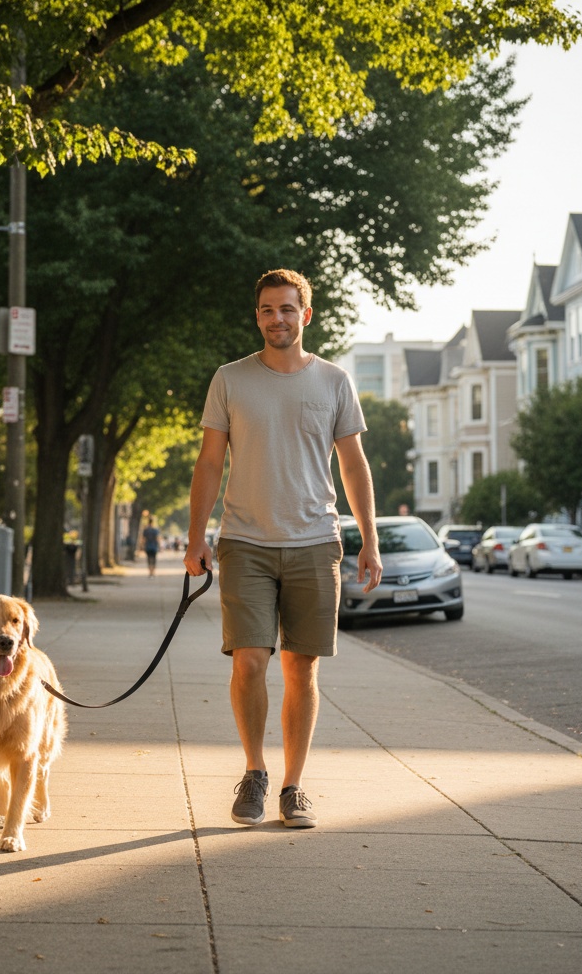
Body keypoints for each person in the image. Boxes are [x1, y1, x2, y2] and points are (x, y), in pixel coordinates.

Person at [183, 268, 382, 829]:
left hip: (316, 542)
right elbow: (210, 462)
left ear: (306, 315)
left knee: (302, 668)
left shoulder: (334, 381)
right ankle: (255, 772)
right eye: (268, 309)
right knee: (249, 660)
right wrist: (197, 538)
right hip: (244, 540)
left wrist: (369, 540)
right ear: (258, 317)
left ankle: (294, 787)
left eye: (287, 309)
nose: (277, 318)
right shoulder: (230, 379)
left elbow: (353, 464)